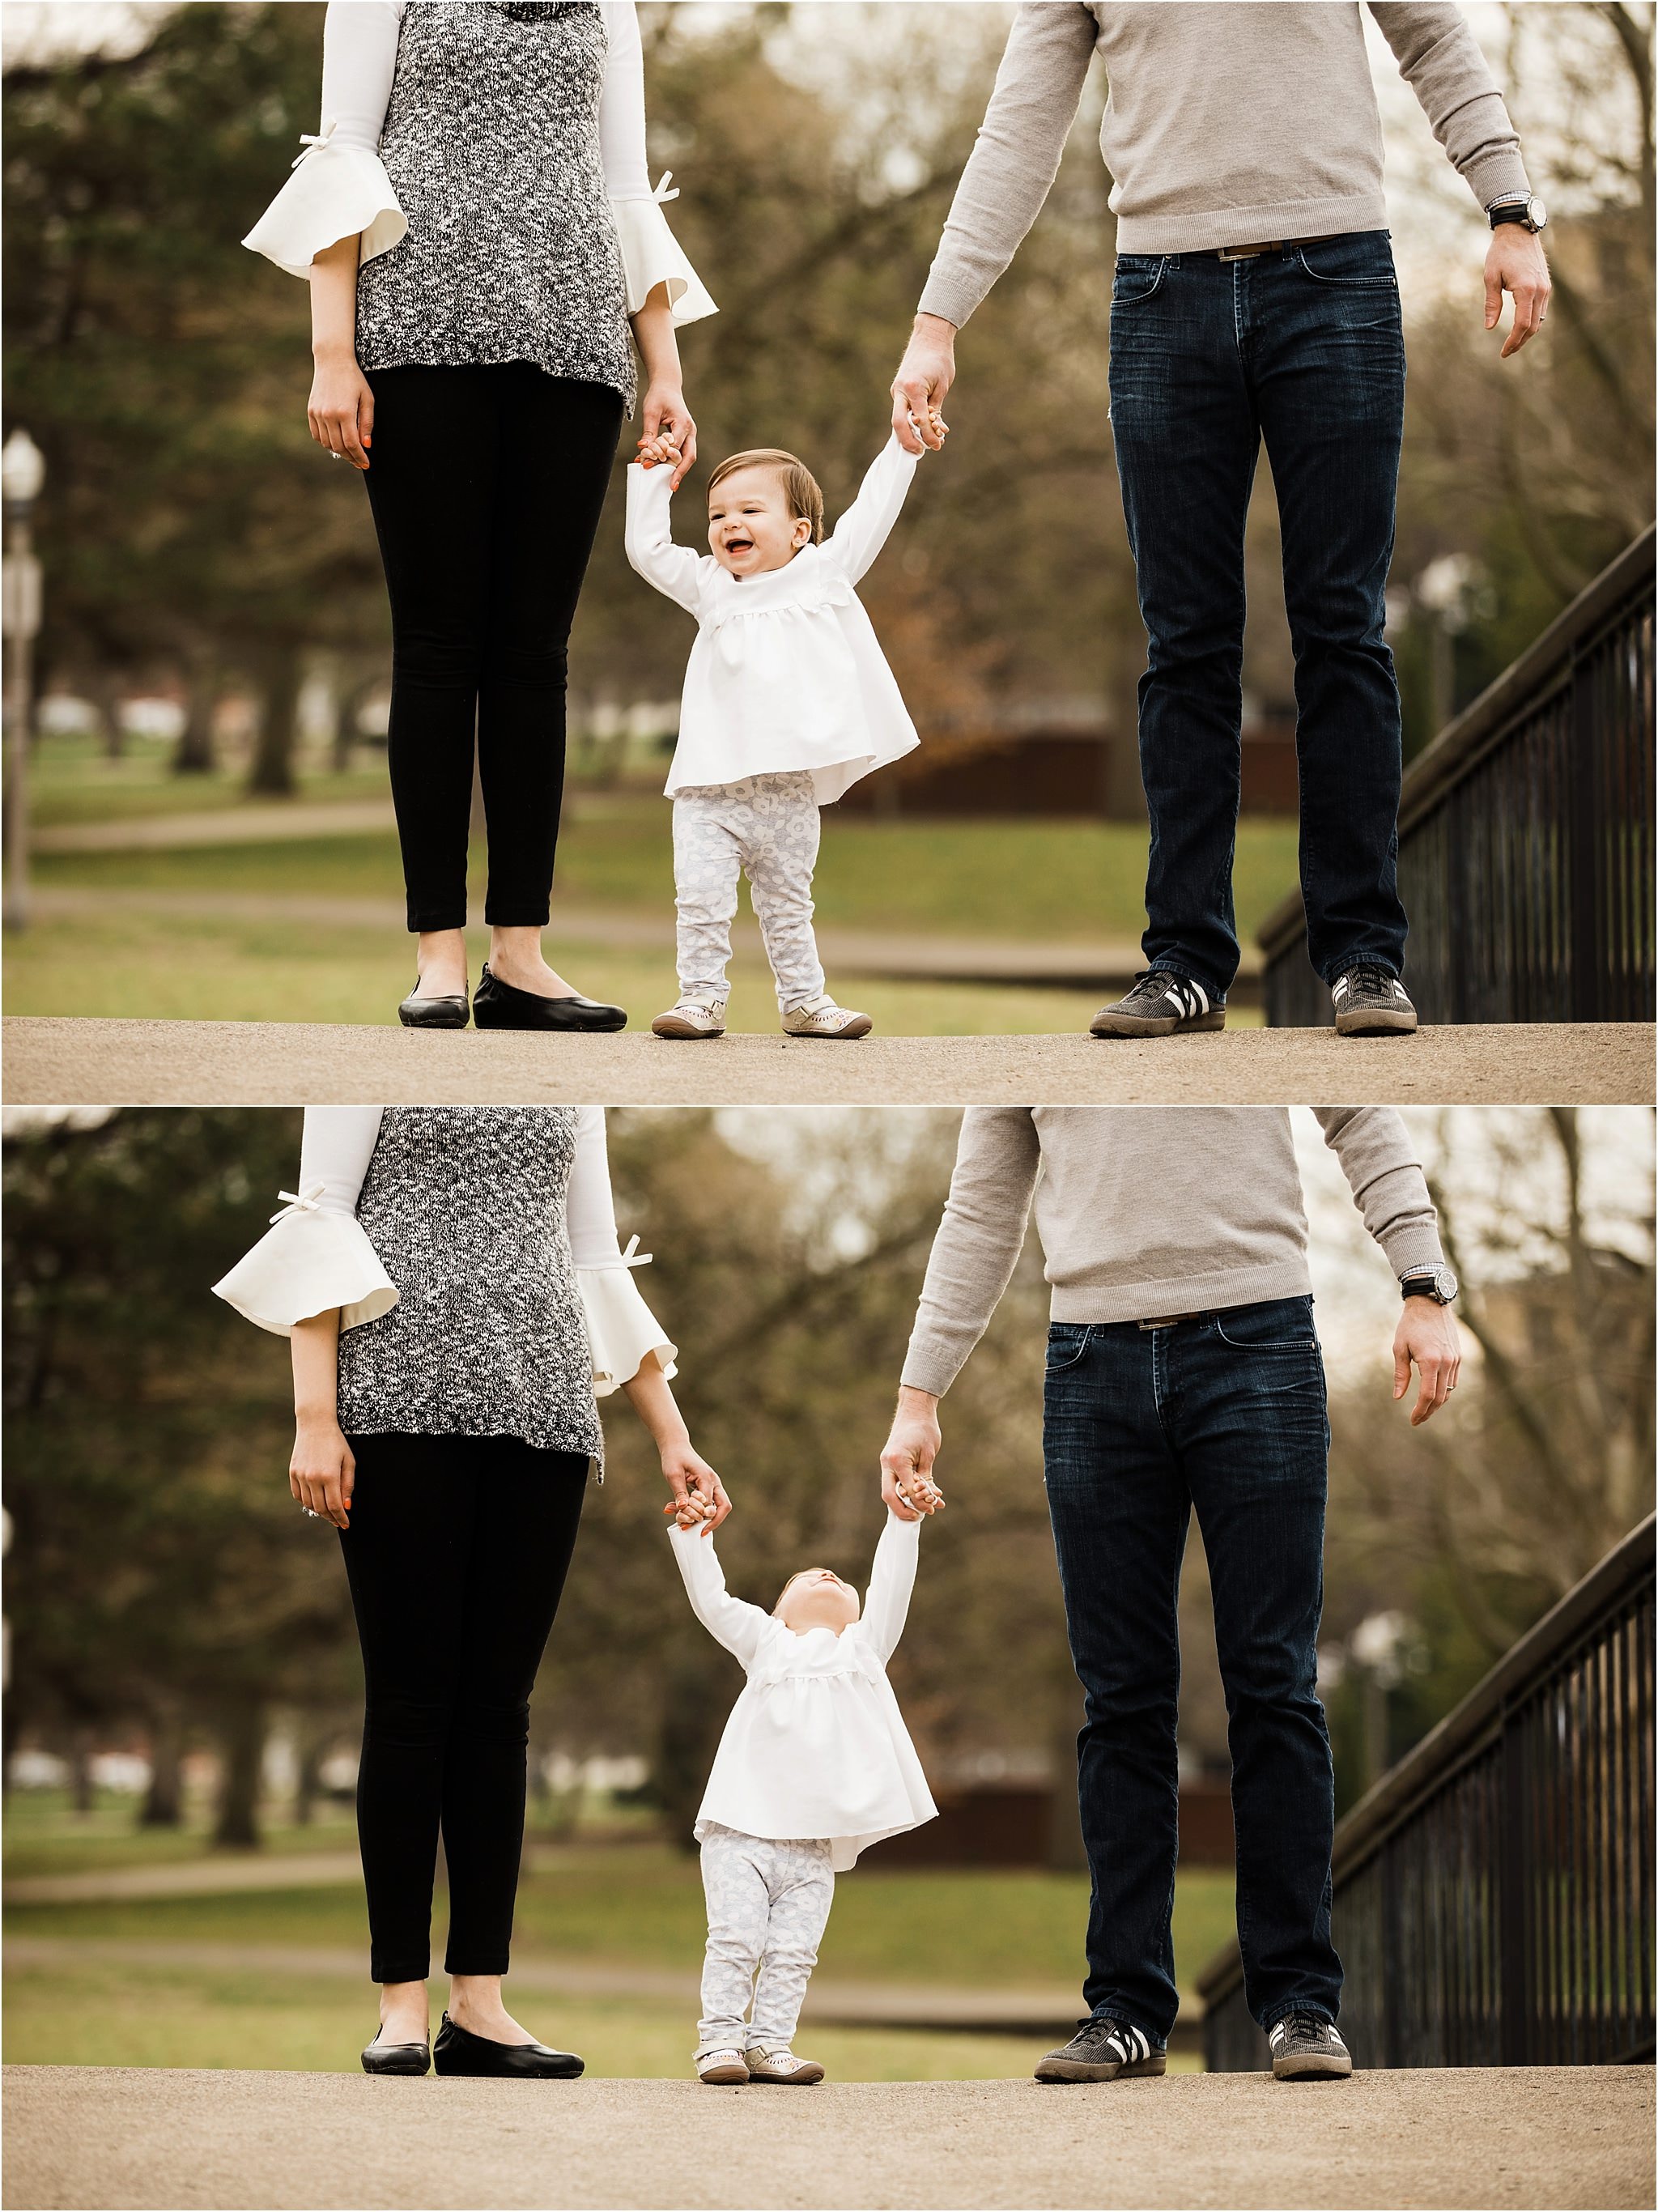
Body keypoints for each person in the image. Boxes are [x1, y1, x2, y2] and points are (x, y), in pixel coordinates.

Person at [890, 4, 1550, 1040]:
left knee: (1339, 624)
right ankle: (1185, 960)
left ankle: (1363, 958)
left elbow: (1431, 36)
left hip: (1335, 279)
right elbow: (1018, 124)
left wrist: (1508, 210)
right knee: (1184, 639)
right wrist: (938, 320)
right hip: (1161, 294)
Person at [878, 1107, 1463, 2082]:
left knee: (1272, 1683)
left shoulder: (1218, 977)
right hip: (1086, 1365)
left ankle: (1297, 2004)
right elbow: (979, 1208)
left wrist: (1421, 1279)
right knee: (1120, 1702)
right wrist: (917, 1395)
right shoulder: (1029, 1037)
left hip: (1257, 1347)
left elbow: (1358, 1106)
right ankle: (1125, 2006)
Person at [214, 1105, 729, 2079]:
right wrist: (313, 1416)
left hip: (547, 1417)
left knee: (498, 1713)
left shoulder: (568, 1075)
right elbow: (320, 1217)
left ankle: (479, 2003)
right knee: (411, 1706)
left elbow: (592, 1255)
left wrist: (670, 1430)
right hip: (396, 1405)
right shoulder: (370, 1065)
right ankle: (399, 2006)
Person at [243, 2, 716, 1033]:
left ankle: (521, 956)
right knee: (438, 644)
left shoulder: (606, 6)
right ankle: (437, 959)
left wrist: (664, 364)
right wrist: (333, 351)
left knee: (534, 653)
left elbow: (623, 183)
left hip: (578, 344)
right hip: (416, 334)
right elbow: (345, 154)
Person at [624, 425, 937, 1039]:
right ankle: (701, 998)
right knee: (702, 900)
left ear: (799, 531)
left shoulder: (823, 574)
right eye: (717, 514)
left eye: (749, 510)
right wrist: (655, 475)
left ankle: (804, 1000)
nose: (728, 523)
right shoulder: (709, 587)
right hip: (708, 790)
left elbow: (873, 513)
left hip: (786, 791)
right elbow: (646, 549)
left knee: (789, 906)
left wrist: (904, 446)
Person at [666, 1491, 938, 2082]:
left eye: (840, 1579)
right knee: (736, 1939)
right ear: (779, 1609)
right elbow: (712, 1601)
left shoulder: (864, 1651)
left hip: (811, 1846)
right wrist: (695, 1535)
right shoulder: (766, 1644)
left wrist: (903, 1519)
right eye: (807, 1577)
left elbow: (893, 1585)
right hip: (741, 1832)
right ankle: (719, 2042)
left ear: (857, 1611)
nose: (827, 1574)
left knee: (793, 1953)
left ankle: (769, 2044)